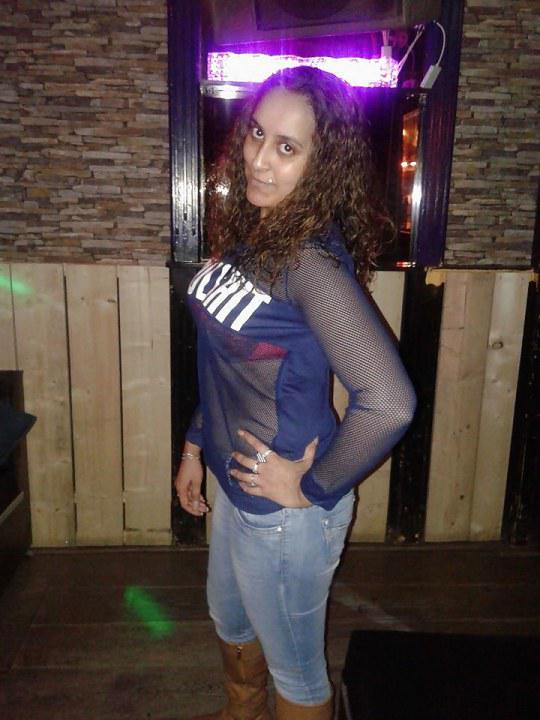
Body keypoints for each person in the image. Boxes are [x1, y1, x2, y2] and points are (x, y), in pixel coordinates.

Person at [176, 65, 417, 720]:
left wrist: (311, 487)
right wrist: (196, 445)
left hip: (283, 512)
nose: (259, 158)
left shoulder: (310, 261)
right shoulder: (256, 232)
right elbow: (228, 362)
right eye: (257, 133)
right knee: (231, 623)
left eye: (287, 147)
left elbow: (389, 401)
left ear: (321, 163)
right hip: (235, 483)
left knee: (297, 672)